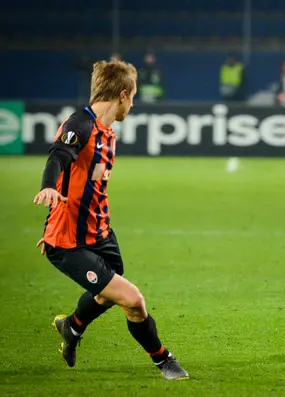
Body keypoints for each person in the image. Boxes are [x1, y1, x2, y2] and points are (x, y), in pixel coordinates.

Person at [33, 59, 189, 380]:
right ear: (121, 95)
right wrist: (48, 187)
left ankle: (72, 327)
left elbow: (83, 183)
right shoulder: (81, 125)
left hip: (100, 232)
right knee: (132, 300)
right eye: (132, 97)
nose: (132, 104)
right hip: (68, 242)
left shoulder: (108, 133)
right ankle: (165, 361)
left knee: (107, 292)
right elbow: (59, 157)